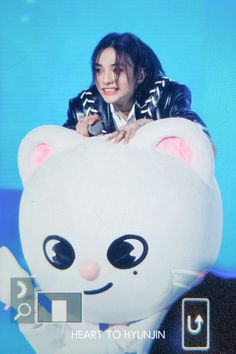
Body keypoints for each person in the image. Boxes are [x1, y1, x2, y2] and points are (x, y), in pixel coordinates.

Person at [63, 32, 212, 146]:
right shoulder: (83, 107)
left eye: (117, 70)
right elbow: (54, 159)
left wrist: (151, 126)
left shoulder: (167, 96)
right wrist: (77, 138)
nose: (106, 80)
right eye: (99, 70)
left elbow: (206, 145)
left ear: (140, 75)